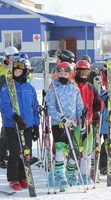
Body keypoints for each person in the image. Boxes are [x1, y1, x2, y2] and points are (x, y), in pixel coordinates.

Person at [0, 58, 40, 191]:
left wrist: (36, 126)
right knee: (15, 152)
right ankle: (13, 178)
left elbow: (35, 108)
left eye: (20, 71)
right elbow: (4, 106)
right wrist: (15, 117)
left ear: (26, 72)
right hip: (13, 126)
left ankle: (23, 176)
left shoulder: (30, 89)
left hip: (27, 126)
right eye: (15, 71)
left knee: (26, 152)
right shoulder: (7, 87)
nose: (17, 73)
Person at [46, 62, 84, 190]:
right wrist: (61, 118)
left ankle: (69, 172)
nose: (63, 75)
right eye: (60, 73)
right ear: (57, 73)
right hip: (59, 124)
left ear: (69, 74)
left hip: (72, 123)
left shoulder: (74, 89)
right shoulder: (53, 89)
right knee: (60, 148)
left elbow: (79, 106)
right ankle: (59, 174)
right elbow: (51, 108)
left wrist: (82, 118)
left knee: (74, 149)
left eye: (65, 73)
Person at [72, 60, 103, 185]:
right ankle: (71, 175)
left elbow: (97, 102)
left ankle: (85, 174)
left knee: (87, 150)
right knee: (73, 150)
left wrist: (98, 107)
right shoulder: (72, 86)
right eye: (81, 72)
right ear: (76, 72)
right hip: (74, 123)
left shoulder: (91, 88)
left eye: (86, 72)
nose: (83, 75)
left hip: (88, 122)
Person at [0, 46, 20, 169]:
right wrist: (7, 72)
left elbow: (28, 78)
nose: (13, 60)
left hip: (18, 101)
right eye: (11, 57)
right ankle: (2, 155)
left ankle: (17, 153)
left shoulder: (18, 66)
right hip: (5, 102)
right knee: (7, 127)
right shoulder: (2, 68)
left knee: (18, 127)